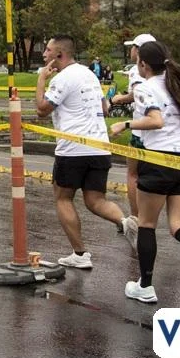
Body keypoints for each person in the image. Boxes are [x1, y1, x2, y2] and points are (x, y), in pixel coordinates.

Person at [110, 41, 180, 302]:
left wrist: (125, 123)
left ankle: (145, 286)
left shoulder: (145, 88)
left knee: (146, 223)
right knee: (178, 225)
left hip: (159, 160)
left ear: (143, 64)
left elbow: (155, 121)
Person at [35, 35, 131, 269]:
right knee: (95, 200)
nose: (44, 55)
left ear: (60, 55)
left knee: (62, 197)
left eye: (48, 51)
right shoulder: (89, 74)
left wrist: (41, 80)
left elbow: (42, 109)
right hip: (99, 146)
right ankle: (127, 223)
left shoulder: (62, 78)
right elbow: (105, 107)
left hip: (73, 150)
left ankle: (80, 254)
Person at [111, 33, 156, 244]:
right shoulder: (165, 69)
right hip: (162, 133)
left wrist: (121, 98)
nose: (131, 52)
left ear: (138, 51)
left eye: (132, 48)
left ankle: (135, 218)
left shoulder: (138, 70)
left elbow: (138, 95)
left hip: (140, 132)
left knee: (133, 174)